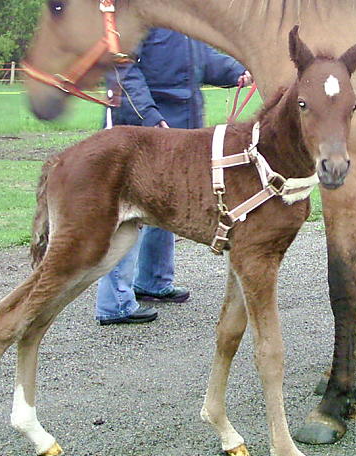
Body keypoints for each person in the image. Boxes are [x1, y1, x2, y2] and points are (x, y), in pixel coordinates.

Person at [96, 28, 252, 326]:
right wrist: (150, 117)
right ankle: (114, 303)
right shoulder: (137, 13)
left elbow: (201, 61)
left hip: (180, 125)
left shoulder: (181, 18)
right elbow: (123, 70)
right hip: (141, 129)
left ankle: (153, 282)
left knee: (165, 204)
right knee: (128, 210)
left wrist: (237, 71)